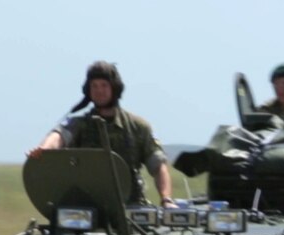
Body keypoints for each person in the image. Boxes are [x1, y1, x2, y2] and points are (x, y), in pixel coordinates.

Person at [28, 61, 175, 207]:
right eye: (94, 86)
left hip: (130, 207)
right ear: (88, 90)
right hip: (88, 207)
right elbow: (59, 135)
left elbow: (158, 166)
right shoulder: (80, 124)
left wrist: (166, 199)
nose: (99, 91)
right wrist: (44, 150)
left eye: (104, 85)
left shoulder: (137, 127)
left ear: (114, 88)